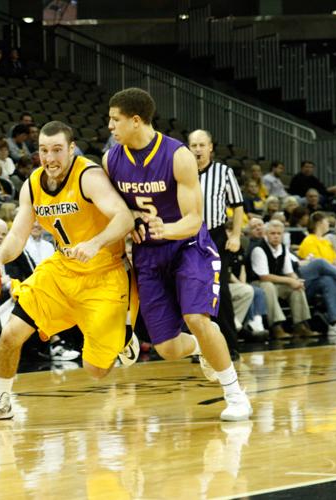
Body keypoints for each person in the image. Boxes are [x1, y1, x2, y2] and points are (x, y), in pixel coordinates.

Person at [0, 121, 137, 423]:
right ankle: (1, 401)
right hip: (61, 271)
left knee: (96, 370)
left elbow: (124, 218)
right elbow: (18, 235)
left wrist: (96, 243)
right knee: (10, 335)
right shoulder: (33, 184)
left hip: (104, 275)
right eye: (44, 151)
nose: (50, 158)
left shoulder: (89, 176)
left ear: (71, 149)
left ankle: (122, 338)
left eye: (58, 150)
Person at [106, 89, 251, 421]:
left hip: (188, 247)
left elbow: (194, 219)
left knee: (197, 318)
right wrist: (129, 227)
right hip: (148, 256)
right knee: (167, 348)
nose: (110, 126)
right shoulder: (111, 160)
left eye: (115, 120)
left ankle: (235, 394)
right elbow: (115, 210)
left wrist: (163, 230)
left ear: (136, 120)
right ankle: (201, 348)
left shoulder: (177, 155)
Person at [188, 128, 243, 360]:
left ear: (210, 147)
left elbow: (237, 205)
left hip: (216, 235)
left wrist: (236, 236)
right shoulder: (182, 171)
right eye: (194, 145)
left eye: (202, 145)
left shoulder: (224, 172)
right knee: (192, 292)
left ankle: (229, 346)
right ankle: (199, 346)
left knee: (220, 290)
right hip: (189, 235)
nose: (198, 149)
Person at [247, 220, 319, 338]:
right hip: (256, 284)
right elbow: (264, 276)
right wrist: (290, 281)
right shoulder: (258, 248)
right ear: (266, 234)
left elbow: (289, 272)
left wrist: (296, 280)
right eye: (272, 233)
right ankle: (276, 326)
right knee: (268, 286)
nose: (276, 236)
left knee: (296, 287)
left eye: (279, 234)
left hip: (276, 282)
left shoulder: (283, 248)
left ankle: (300, 325)